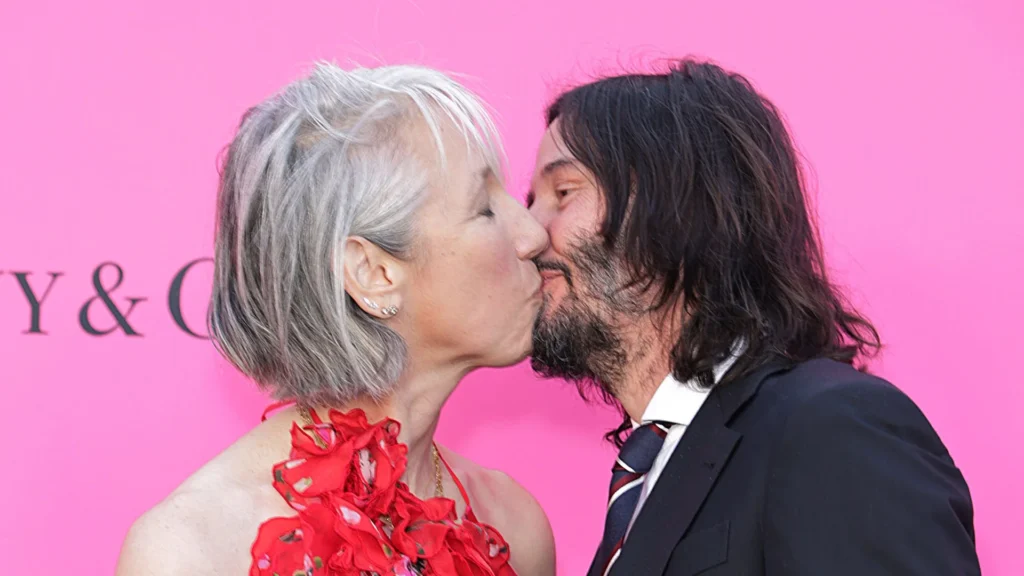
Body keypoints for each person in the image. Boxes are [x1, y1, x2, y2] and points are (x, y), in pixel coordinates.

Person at [527, 58, 980, 576]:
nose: (529, 233)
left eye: (563, 193)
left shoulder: (831, 430)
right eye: (532, 201)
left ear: (676, 207)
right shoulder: (653, 474)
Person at [115, 62, 555, 576]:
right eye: (485, 209)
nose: (533, 235)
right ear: (371, 272)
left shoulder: (511, 527)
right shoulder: (194, 551)